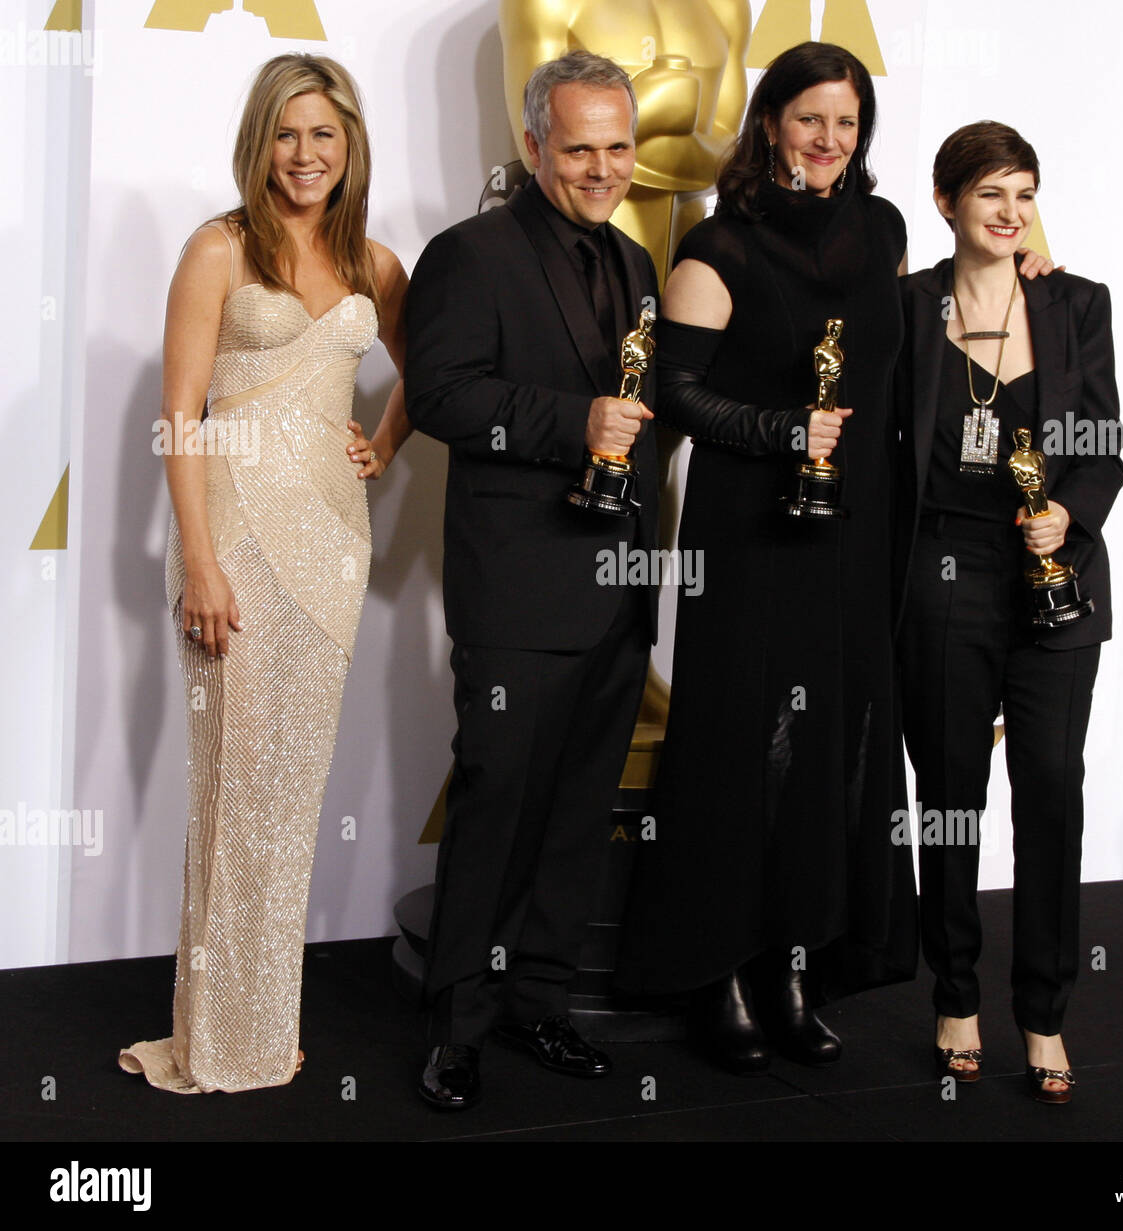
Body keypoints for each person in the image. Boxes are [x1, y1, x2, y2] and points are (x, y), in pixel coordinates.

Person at [613, 41, 919, 1074]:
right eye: (808, 120)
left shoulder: (883, 230)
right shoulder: (718, 247)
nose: (828, 141)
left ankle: (797, 963)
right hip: (751, 535)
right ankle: (721, 969)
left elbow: (905, 357)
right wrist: (782, 430)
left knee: (830, 747)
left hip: (856, 531)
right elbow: (675, 396)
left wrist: (1025, 277)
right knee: (747, 745)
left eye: (846, 122)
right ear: (771, 125)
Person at [119, 53, 410, 1093]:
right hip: (231, 546)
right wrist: (196, 560)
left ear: (350, 145)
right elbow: (181, 416)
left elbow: (425, 375)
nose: (305, 154)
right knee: (233, 789)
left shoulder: (376, 265)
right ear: (259, 141)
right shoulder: (217, 250)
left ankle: (259, 1022)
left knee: (291, 796)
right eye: (287, 134)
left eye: (323, 134)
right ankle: (216, 1032)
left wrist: (384, 440)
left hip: (332, 545)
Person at [405, 51, 659, 1112]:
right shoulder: (469, 254)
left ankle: (538, 1002)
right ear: (532, 146)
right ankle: (457, 1027)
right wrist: (572, 424)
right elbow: (440, 396)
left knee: (577, 810)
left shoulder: (638, 263)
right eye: (578, 147)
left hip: (618, 582)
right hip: (516, 590)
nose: (600, 169)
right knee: (498, 804)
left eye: (617, 147)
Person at [894, 121, 1123, 1103]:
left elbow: (1103, 442)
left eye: (1023, 193)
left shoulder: (1075, 303)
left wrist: (1066, 511)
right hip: (941, 575)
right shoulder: (904, 309)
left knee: (1050, 794)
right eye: (989, 192)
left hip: (1054, 579)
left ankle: (1044, 1010)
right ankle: (954, 996)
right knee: (948, 799)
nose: (1008, 211)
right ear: (946, 202)